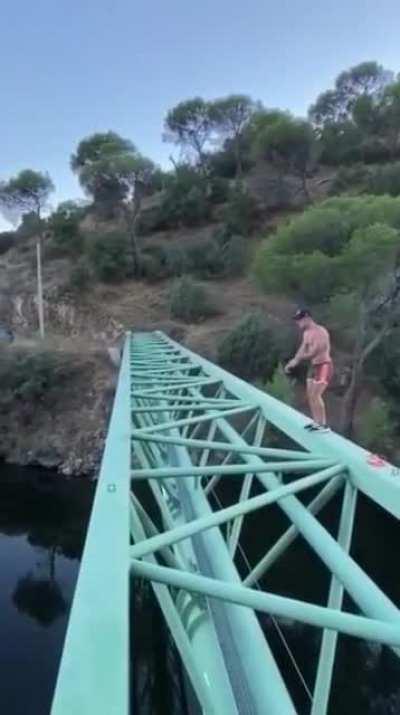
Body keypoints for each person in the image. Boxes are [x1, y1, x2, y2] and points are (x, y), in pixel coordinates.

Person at [285, 308, 333, 430]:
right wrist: (294, 360)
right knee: (310, 395)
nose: (298, 323)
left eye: (300, 320)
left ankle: (323, 424)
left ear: (307, 318)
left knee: (316, 394)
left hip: (323, 365)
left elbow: (315, 351)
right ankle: (316, 422)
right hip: (313, 366)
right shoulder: (306, 333)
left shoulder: (320, 332)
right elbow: (303, 347)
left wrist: (298, 360)